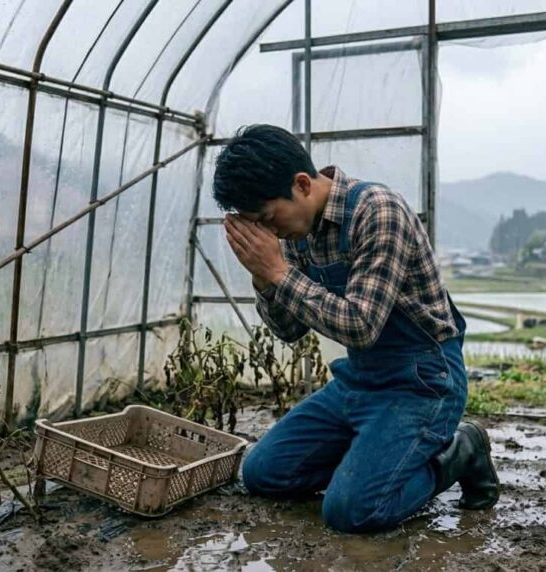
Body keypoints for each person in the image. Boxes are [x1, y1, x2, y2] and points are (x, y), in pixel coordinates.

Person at [213, 124, 500, 533]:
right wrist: (263, 278)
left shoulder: (377, 211)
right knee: (262, 474)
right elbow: (289, 331)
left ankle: (462, 449)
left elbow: (361, 326)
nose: (269, 232)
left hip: (421, 381)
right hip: (360, 380)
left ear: (301, 184)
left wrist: (277, 272)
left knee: (352, 512)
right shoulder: (296, 234)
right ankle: (373, 457)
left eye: (268, 219)